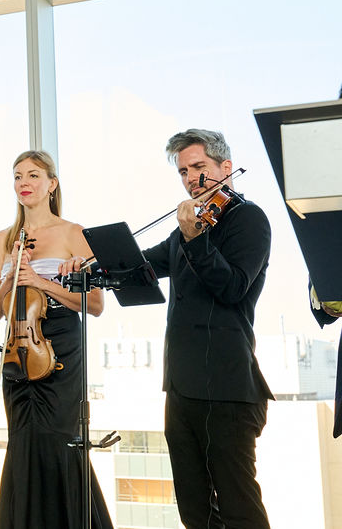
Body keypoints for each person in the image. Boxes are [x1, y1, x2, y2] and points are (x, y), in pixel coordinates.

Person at [64, 128, 273, 528]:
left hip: (227, 389)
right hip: (181, 388)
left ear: (225, 168)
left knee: (239, 506)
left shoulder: (248, 219)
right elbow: (142, 264)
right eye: (183, 171)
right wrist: (91, 265)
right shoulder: (187, 229)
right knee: (193, 510)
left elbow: (232, 288)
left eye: (199, 167)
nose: (191, 178)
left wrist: (195, 240)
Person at [0, 151, 113, 529]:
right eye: (17, 176)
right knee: (23, 442)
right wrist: (12, 275)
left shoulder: (73, 233)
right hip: (17, 349)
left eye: (33, 175)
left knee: (59, 439)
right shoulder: (3, 239)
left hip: (59, 343)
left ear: (51, 184)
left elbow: (94, 304)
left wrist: (41, 282)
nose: (23, 182)